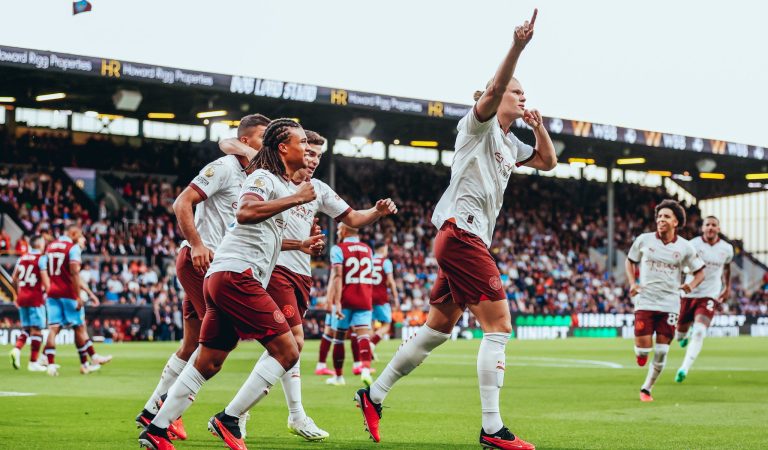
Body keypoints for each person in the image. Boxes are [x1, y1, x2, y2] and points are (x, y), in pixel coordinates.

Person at [355, 9, 556, 449]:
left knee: (437, 329)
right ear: (494, 94)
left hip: (462, 238)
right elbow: (496, 88)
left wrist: (539, 129)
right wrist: (518, 47)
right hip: (462, 234)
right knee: (499, 325)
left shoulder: (509, 142)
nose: (521, 97)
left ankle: (373, 395)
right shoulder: (478, 125)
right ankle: (492, 428)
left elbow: (548, 162)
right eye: (515, 92)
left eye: (525, 93)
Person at [138, 119, 320, 450]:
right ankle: (230, 418)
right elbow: (246, 212)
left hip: (223, 275)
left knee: (209, 359)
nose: (307, 148)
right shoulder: (263, 178)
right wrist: (295, 200)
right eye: (301, 141)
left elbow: (263, 233)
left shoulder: (278, 182)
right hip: (237, 276)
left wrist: (300, 243)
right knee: (288, 349)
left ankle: (156, 428)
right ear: (282, 148)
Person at [221, 129, 396, 440]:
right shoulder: (275, 179)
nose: (313, 160)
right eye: (309, 152)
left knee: (287, 348)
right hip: (275, 269)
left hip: (301, 275)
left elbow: (353, 218)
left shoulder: (318, 188)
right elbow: (230, 144)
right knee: (293, 342)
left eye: (318, 155)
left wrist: (377, 213)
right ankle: (240, 413)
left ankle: (284, 413)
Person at [135, 114, 269, 440]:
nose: (268, 145)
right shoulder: (224, 167)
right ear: (247, 141)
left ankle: (153, 411)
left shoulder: (255, 177)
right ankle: (168, 412)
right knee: (219, 341)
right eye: (264, 138)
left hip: (216, 265)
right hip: (202, 261)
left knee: (192, 344)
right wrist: (197, 243)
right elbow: (182, 202)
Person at [625, 199, 705, 402]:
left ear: (676, 222)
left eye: (666, 217)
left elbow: (700, 272)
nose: (661, 220)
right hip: (645, 301)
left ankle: (646, 389)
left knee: (661, 352)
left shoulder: (685, 247)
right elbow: (630, 261)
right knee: (643, 351)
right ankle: (641, 353)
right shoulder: (644, 240)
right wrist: (633, 283)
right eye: (659, 216)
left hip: (669, 304)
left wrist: (690, 286)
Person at [42, 225, 112, 376]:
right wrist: (78, 295)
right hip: (68, 293)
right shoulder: (72, 248)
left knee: (53, 329)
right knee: (80, 327)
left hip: (53, 293)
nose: (82, 238)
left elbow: (45, 269)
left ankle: (51, 365)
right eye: (80, 234)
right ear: (73, 234)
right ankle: (93, 357)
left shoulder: (51, 247)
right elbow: (74, 273)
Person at [675, 215, 733, 383]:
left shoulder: (727, 249)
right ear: (702, 228)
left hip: (709, 295)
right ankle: (683, 337)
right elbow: (682, 265)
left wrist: (727, 287)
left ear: (718, 229)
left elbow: (727, 267)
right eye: (708, 224)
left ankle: (684, 369)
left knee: (700, 331)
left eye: (714, 225)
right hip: (689, 292)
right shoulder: (693, 244)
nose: (710, 228)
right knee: (679, 335)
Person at [326, 224, 375, 387]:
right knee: (363, 336)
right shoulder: (368, 249)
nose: (338, 232)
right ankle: (366, 370)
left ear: (345, 231)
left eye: (339, 229)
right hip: (364, 298)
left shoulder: (338, 249)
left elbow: (338, 275)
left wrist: (337, 301)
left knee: (339, 338)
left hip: (346, 298)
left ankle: (339, 377)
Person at [9, 236, 49, 372]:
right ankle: (33, 362)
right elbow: (45, 280)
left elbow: (14, 278)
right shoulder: (41, 259)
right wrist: (50, 292)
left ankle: (16, 349)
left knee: (26, 328)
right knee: (37, 330)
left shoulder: (22, 258)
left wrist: (16, 294)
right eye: (43, 242)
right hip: (35, 298)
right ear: (39, 244)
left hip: (22, 297)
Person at [370, 241, 400, 355]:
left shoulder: (368, 260)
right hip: (381, 296)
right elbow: (391, 281)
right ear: (382, 249)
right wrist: (396, 298)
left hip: (368, 296)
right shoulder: (386, 262)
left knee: (371, 324)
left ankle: (367, 350)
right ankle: (371, 344)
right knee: (387, 324)